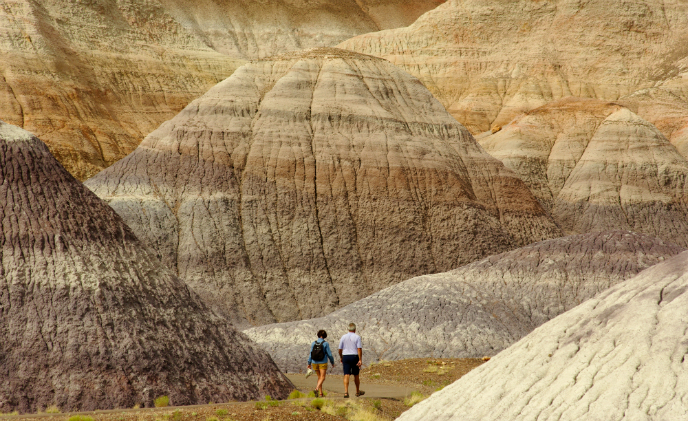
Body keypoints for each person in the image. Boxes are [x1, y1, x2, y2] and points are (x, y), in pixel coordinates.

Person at [338, 322, 364, 398]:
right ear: (355, 329)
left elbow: (340, 349)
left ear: (348, 329)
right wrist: (360, 359)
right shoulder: (357, 337)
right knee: (356, 374)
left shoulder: (343, 337)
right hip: (354, 356)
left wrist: (341, 357)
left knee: (346, 374)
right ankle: (357, 391)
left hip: (345, 356)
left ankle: (346, 392)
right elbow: (359, 349)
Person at [307, 329, 335, 397]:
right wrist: (332, 362)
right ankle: (316, 389)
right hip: (323, 362)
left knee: (319, 377)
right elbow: (329, 354)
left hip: (314, 362)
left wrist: (309, 363)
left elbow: (311, 353)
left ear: (318, 335)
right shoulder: (325, 343)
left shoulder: (313, 343)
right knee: (322, 377)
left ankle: (321, 393)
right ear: (325, 336)